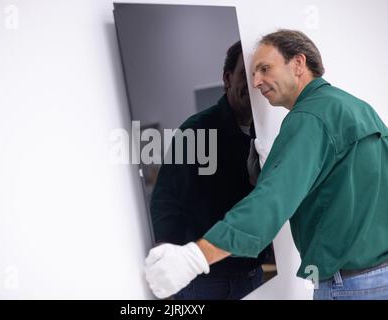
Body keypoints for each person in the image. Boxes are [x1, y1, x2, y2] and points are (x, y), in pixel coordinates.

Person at [144, 29, 388, 300]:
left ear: (298, 63)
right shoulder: (357, 107)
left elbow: (270, 203)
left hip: (349, 286)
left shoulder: (308, 118)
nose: (256, 82)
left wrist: (193, 257)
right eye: (250, 74)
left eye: (264, 69)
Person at [148, 41, 274, 300]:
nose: (253, 85)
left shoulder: (262, 132)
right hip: (207, 281)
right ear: (227, 78)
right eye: (245, 75)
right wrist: (169, 266)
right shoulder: (197, 132)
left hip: (251, 272)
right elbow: (167, 201)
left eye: (260, 76)